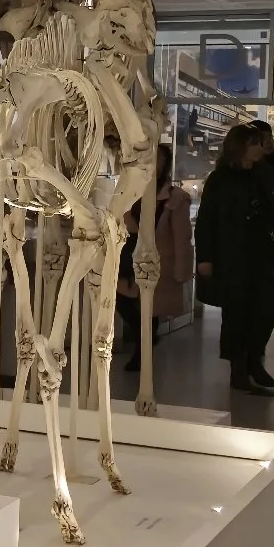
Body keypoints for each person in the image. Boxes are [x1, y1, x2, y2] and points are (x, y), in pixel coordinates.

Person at [196, 121, 274, 396]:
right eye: (254, 143)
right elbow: (206, 220)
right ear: (241, 146)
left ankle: (255, 360)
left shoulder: (267, 174)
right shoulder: (221, 179)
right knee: (236, 314)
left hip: (266, 256)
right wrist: (205, 257)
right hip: (233, 256)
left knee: (265, 312)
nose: (260, 148)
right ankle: (238, 368)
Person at [115, 144, 190, 374]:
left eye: (160, 160)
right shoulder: (133, 191)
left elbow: (182, 236)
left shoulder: (176, 198)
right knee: (124, 301)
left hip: (159, 261)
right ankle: (145, 342)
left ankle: (141, 353)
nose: (155, 165)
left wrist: (181, 269)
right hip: (130, 258)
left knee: (152, 308)